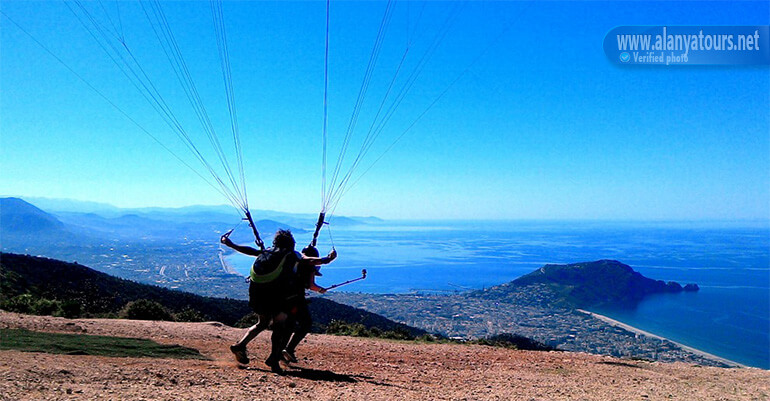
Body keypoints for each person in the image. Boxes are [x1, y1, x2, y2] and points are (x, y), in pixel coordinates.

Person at [221, 229, 336, 373]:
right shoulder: (291, 255)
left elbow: (250, 251)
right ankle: (274, 361)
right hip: (276, 296)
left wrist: (231, 245)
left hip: (257, 294)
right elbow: (309, 260)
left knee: (262, 323)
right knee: (279, 326)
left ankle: (240, 345)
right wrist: (328, 259)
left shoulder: (268, 252)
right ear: (291, 243)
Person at [282, 245, 328, 363]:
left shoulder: (294, 262)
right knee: (306, 323)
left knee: (289, 324)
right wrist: (320, 290)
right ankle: (289, 349)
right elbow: (312, 285)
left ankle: (279, 352)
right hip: (297, 298)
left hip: (284, 295)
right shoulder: (310, 266)